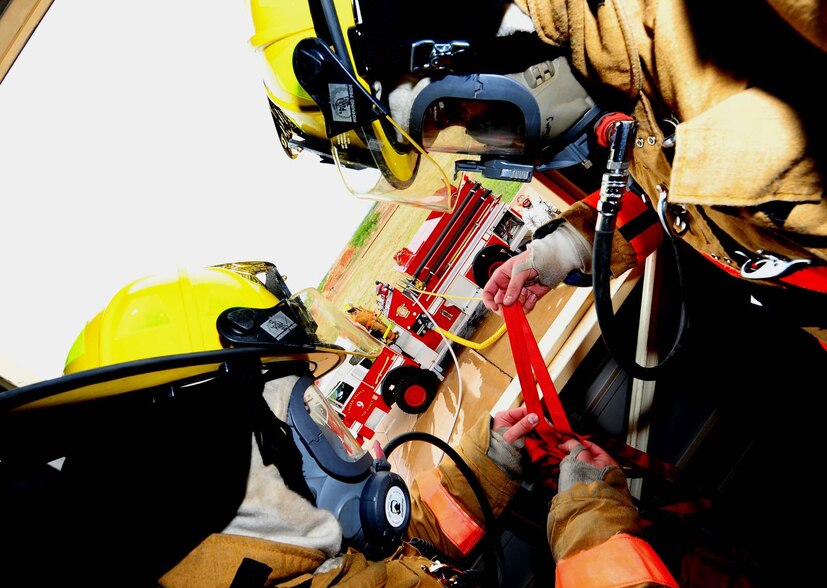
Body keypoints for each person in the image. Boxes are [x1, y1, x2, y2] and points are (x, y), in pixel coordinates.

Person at [0, 261, 678, 588]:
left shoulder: (294, 554)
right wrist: (593, 518)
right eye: (315, 415)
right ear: (226, 462)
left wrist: (493, 452)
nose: (349, 437)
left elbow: (420, 537)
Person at [246, 0, 826, 349]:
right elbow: (673, 178)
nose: (475, 133)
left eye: (449, 111)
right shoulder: (637, 79)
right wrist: (566, 249)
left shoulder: (706, 30)